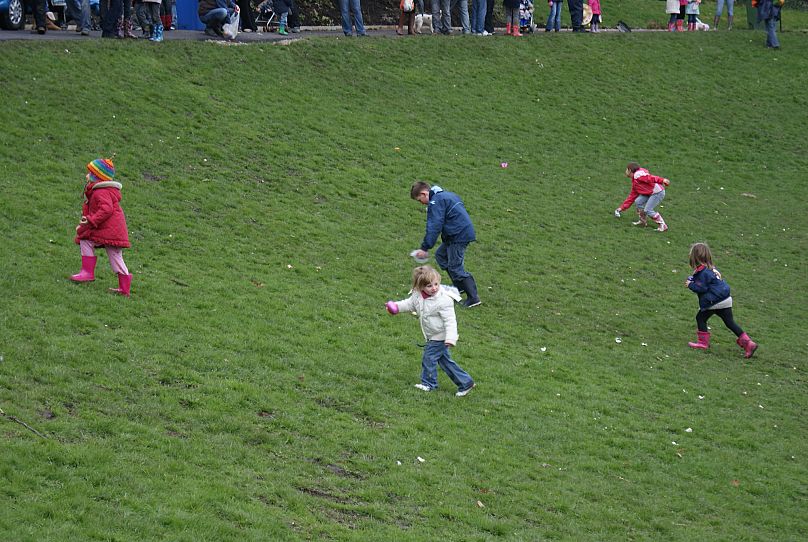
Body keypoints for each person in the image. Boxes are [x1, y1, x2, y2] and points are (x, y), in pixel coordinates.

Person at [386, 266, 476, 396]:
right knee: (445, 361)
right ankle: (466, 382)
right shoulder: (417, 295)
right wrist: (396, 307)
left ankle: (428, 383)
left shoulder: (443, 300)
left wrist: (451, 338)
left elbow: (450, 321)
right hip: (432, 334)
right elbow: (409, 304)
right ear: (420, 286)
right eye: (429, 286)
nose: (434, 288)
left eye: (436, 284)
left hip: (440, 336)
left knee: (429, 358)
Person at [410, 181, 481, 308]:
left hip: (458, 235)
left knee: (455, 266)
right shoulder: (448, 195)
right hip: (456, 233)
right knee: (441, 255)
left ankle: (473, 297)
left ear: (424, 193)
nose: (421, 203)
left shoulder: (435, 202)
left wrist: (424, 248)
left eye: (419, 200)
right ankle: (459, 287)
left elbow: (434, 226)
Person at [71, 159, 133, 297]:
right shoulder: (103, 191)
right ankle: (124, 288)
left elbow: (106, 209)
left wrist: (91, 221)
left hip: (110, 231)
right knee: (114, 256)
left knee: (86, 241)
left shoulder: (100, 192)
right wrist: (86, 221)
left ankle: (87, 273)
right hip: (112, 231)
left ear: (96, 176)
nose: (87, 176)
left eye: (89, 173)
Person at [685, 243, 758, 357]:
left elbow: (702, 288)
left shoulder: (703, 272)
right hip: (725, 299)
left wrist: (690, 284)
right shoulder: (711, 269)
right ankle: (748, 343)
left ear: (695, 257)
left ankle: (702, 343)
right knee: (729, 322)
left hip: (714, 301)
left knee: (700, 318)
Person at [613, 162, 670, 232]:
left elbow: (650, 178)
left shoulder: (638, 175)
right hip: (650, 193)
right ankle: (642, 221)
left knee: (648, 210)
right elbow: (631, 197)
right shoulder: (635, 182)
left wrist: (662, 180)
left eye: (626, 170)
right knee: (638, 202)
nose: (625, 171)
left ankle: (663, 225)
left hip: (657, 192)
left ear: (630, 170)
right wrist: (621, 208)